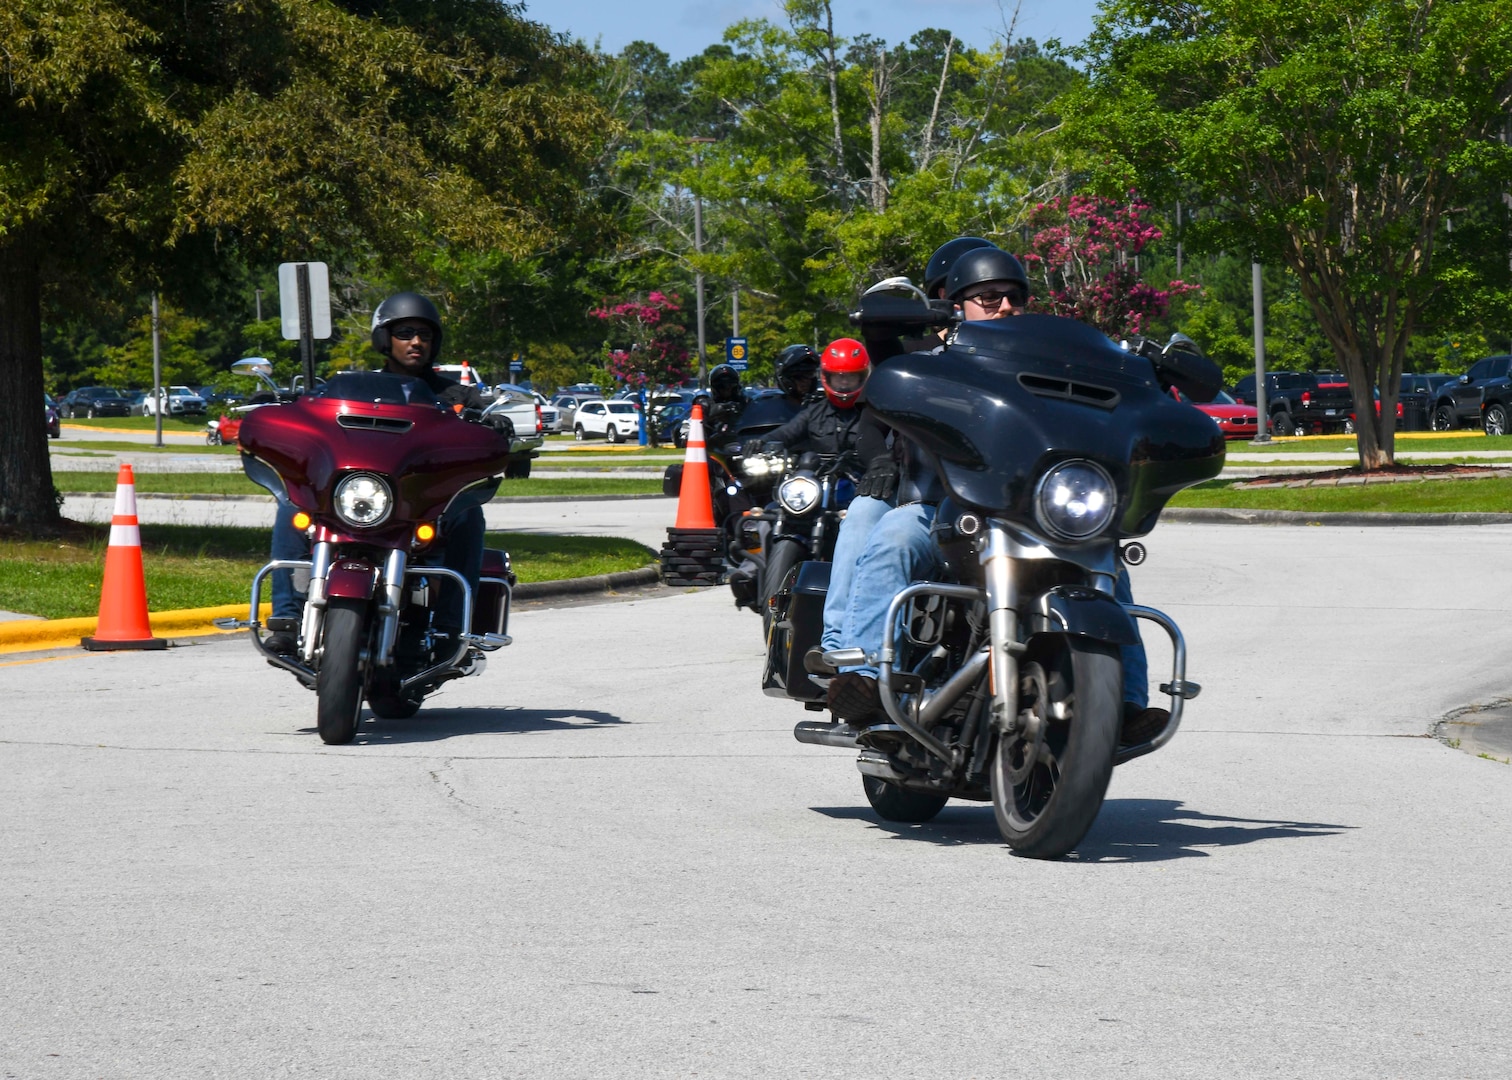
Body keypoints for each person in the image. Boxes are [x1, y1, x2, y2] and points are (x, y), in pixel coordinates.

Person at [263, 292, 491, 655]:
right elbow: (316, 413)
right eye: (405, 332)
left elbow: (488, 427)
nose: (416, 342)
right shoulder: (351, 390)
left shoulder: (455, 396)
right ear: (384, 339)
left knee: (468, 515)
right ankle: (287, 620)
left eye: (425, 335)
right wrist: (290, 407)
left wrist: (499, 423)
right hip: (360, 496)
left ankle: (451, 627)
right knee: (292, 505)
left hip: (418, 502)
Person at [751, 338, 870, 460]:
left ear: (862, 378)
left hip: (866, 476)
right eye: (839, 377)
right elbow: (787, 433)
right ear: (827, 377)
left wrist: (883, 465)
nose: (845, 382)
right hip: (823, 476)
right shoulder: (815, 412)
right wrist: (761, 442)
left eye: (851, 377)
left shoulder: (873, 413)